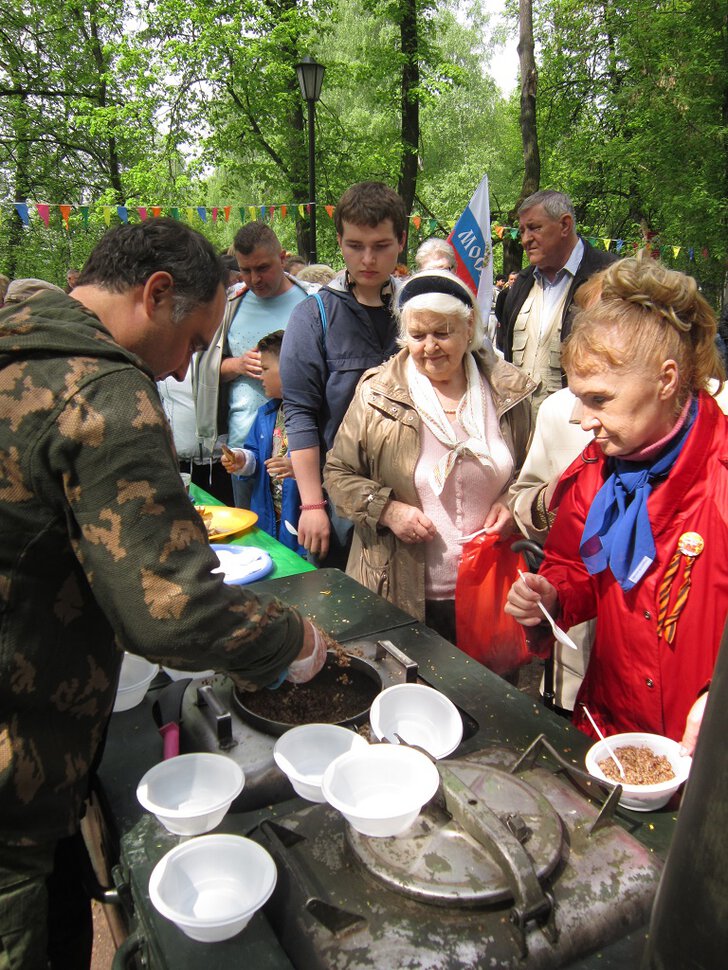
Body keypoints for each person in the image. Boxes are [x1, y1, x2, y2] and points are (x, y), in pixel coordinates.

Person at [0, 218, 327, 970]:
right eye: (192, 342)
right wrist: (294, 642)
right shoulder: (106, 389)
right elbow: (170, 610)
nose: (184, 372)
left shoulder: (20, 337)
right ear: (156, 294)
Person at [505, 253, 728, 753]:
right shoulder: (595, 470)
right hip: (611, 729)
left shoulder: (721, 478)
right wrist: (551, 596)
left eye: (599, 399)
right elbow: (574, 564)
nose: (582, 419)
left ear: (667, 380)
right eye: (578, 398)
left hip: (705, 748)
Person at [324, 270, 534, 643]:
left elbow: (533, 472)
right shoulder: (378, 394)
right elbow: (338, 473)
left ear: (468, 329)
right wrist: (388, 511)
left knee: (484, 696)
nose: (429, 347)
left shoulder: (507, 391)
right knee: (410, 692)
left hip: (488, 589)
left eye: (442, 333)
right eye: (418, 336)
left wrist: (511, 499)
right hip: (398, 590)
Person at [280, 181, 407, 568]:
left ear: (401, 241)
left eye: (381, 246)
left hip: (412, 498)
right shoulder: (312, 316)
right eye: (355, 246)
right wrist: (312, 504)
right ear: (339, 242)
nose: (367, 258)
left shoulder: (421, 310)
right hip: (339, 502)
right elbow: (300, 413)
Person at [192, 223, 314, 511]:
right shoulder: (230, 304)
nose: (254, 279)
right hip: (244, 448)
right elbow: (201, 369)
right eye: (245, 270)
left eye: (263, 268)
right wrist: (236, 364)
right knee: (252, 535)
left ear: (282, 258)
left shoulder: (311, 301)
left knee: (295, 539)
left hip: (297, 447)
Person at [499, 190, 616, 415]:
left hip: (583, 428)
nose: (525, 239)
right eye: (522, 230)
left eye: (534, 228)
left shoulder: (609, 278)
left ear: (565, 225)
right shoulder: (521, 285)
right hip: (522, 431)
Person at [221, 331, 305, 553]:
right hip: (269, 523)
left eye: (266, 369)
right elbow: (255, 457)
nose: (261, 376)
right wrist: (242, 460)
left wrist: (301, 469)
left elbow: (334, 467)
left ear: (289, 367)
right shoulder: (265, 415)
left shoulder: (316, 417)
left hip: (300, 526)